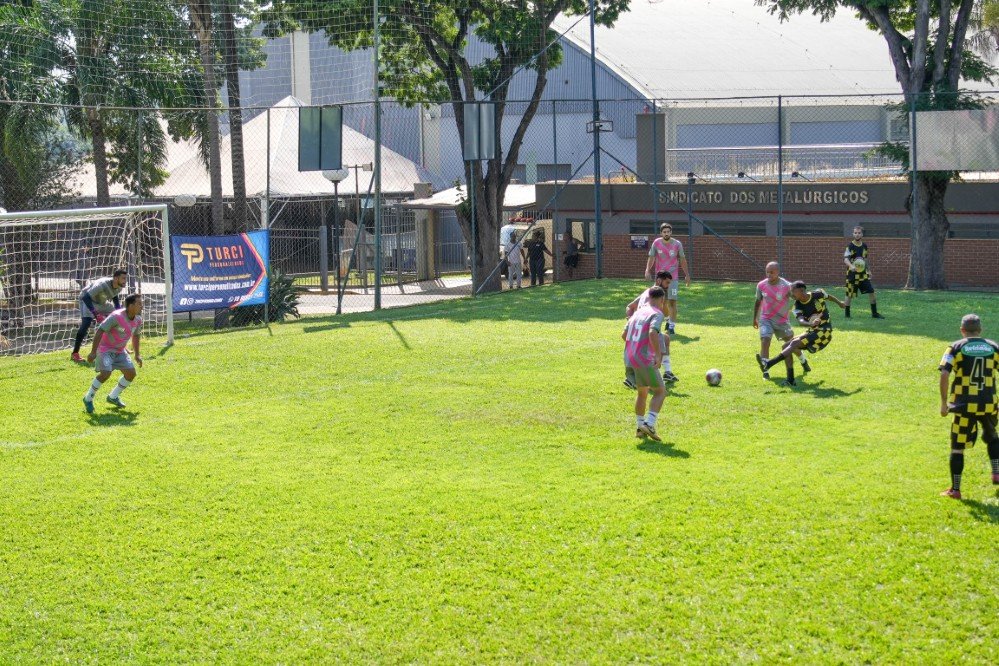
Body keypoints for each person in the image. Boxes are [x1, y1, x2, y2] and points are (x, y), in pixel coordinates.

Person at [938, 314, 999, 499]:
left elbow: (944, 374)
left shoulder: (955, 347)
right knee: (992, 436)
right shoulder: (993, 347)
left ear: (962, 330)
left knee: (957, 446)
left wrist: (943, 403)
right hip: (988, 403)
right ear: (980, 330)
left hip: (964, 405)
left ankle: (955, 489)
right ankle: (996, 472)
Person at [755, 281, 845, 387]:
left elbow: (829, 297)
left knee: (794, 343)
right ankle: (790, 379)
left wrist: (840, 303)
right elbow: (801, 321)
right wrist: (810, 324)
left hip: (824, 331)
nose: (790, 293)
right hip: (812, 331)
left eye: (793, 291)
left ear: (801, 290)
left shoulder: (818, 293)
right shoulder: (797, 306)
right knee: (785, 346)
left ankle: (769, 364)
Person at [83, 293, 144, 413]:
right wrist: (93, 352)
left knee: (131, 374)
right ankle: (88, 398)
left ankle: (113, 397)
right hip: (105, 349)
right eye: (139, 304)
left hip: (120, 351)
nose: (142, 306)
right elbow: (100, 330)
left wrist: (137, 355)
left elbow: (136, 336)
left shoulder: (138, 319)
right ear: (131, 306)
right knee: (105, 373)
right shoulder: (116, 316)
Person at [623, 286, 668, 441]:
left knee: (642, 393)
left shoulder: (637, 312)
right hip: (643, 358)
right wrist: (657, 355)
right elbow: (652, 332)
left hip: (629, 358)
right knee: (660, 391)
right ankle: (649, 424)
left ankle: (640, 428)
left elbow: (624, 335)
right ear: (662, 299)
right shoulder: (657, 313)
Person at [753, 262, 810, 380]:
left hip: (782, 321)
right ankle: (765, 371)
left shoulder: (787, 286)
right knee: (765, 341)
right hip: (766, 319)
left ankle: (803, 360)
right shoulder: (761, 285)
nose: (769, 274)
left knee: (791, 345)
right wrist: (755, 318)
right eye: (767, 272)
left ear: (778, 272)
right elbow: (758, 301)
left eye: (772, 272)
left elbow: (798, 298)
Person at [625, 270, 678, 384]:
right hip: (647, 330)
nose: (668, 286)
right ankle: (649, 377)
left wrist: (630, 321)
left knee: (665, 339)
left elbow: (629, 306)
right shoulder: (656, 298)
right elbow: (665, 314)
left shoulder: (647, 292)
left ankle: (667, 372)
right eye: (667, 283)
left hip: (638, 331)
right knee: (658, 347)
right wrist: (664, 301)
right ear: (658, 281)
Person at [71, 269, 127, 362]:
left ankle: (120, 347)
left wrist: (119, 314)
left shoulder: (119, 286)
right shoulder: (102, 284)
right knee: (86, 324)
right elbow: (86, 297)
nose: (125, 281)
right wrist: (96, 314)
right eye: (123, 278)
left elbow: (115, 298)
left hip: (101, 302)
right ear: (116, 278)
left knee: (117, 321)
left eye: (126, 278)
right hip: (88, 301)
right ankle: (75, 353)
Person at [644, 223, 690, 335]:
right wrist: (647, 270)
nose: (666, 234)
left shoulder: (677, 244)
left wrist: (687, 274)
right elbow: (651, 257)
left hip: (673, 278)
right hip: (660, 278)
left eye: (668, 232)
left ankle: (672, 326)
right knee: (661, 302)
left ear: (671, 232)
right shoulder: (656, 243)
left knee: (672, 301)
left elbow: (682, 259)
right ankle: (668, 319)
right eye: (664, 232)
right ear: (661, 233)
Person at [843, 225, 884, 319]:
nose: (857, 234)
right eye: (855, 233)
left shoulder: (864, 246)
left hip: (863, 275)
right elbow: (845, 259)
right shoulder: (850, 246)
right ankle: (847, 315)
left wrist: (869, 270)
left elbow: (865, 259)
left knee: (871, 292)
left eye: (859, 233)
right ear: (853, 234)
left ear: (862, 234)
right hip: (852, 275)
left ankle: (874, 314)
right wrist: (851, 266)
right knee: (849, 295)